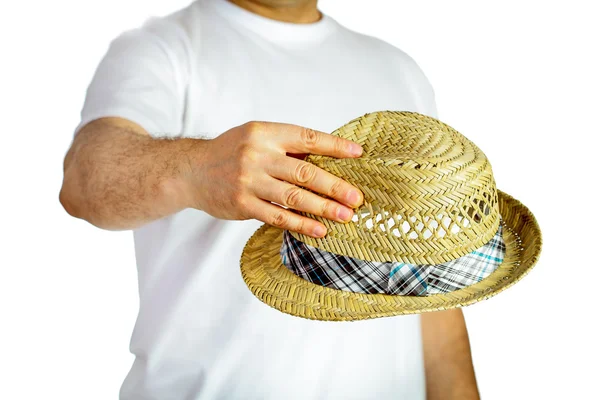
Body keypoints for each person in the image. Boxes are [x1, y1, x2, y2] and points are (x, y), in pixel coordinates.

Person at [60, 0, 480, 398]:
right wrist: (195, 166)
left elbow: (431, 286)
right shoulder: (162, 50)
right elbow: (83, 182)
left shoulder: (399, 71)